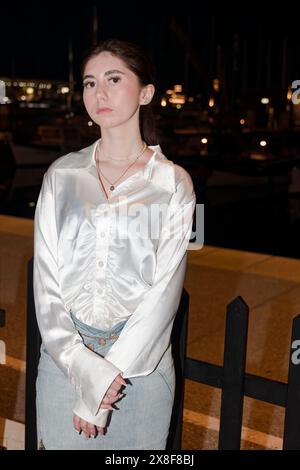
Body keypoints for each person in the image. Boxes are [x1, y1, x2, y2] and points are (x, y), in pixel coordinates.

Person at [33, 38, 196, 450]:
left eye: (113, 78)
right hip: (64, 360)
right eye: (89, 83)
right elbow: (45, 284)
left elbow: (164, 296)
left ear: (145, 93)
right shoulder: (61, 176)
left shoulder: (173, 183)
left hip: (140, 369)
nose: (98, 93)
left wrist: (102, 386)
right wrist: (79, 364)